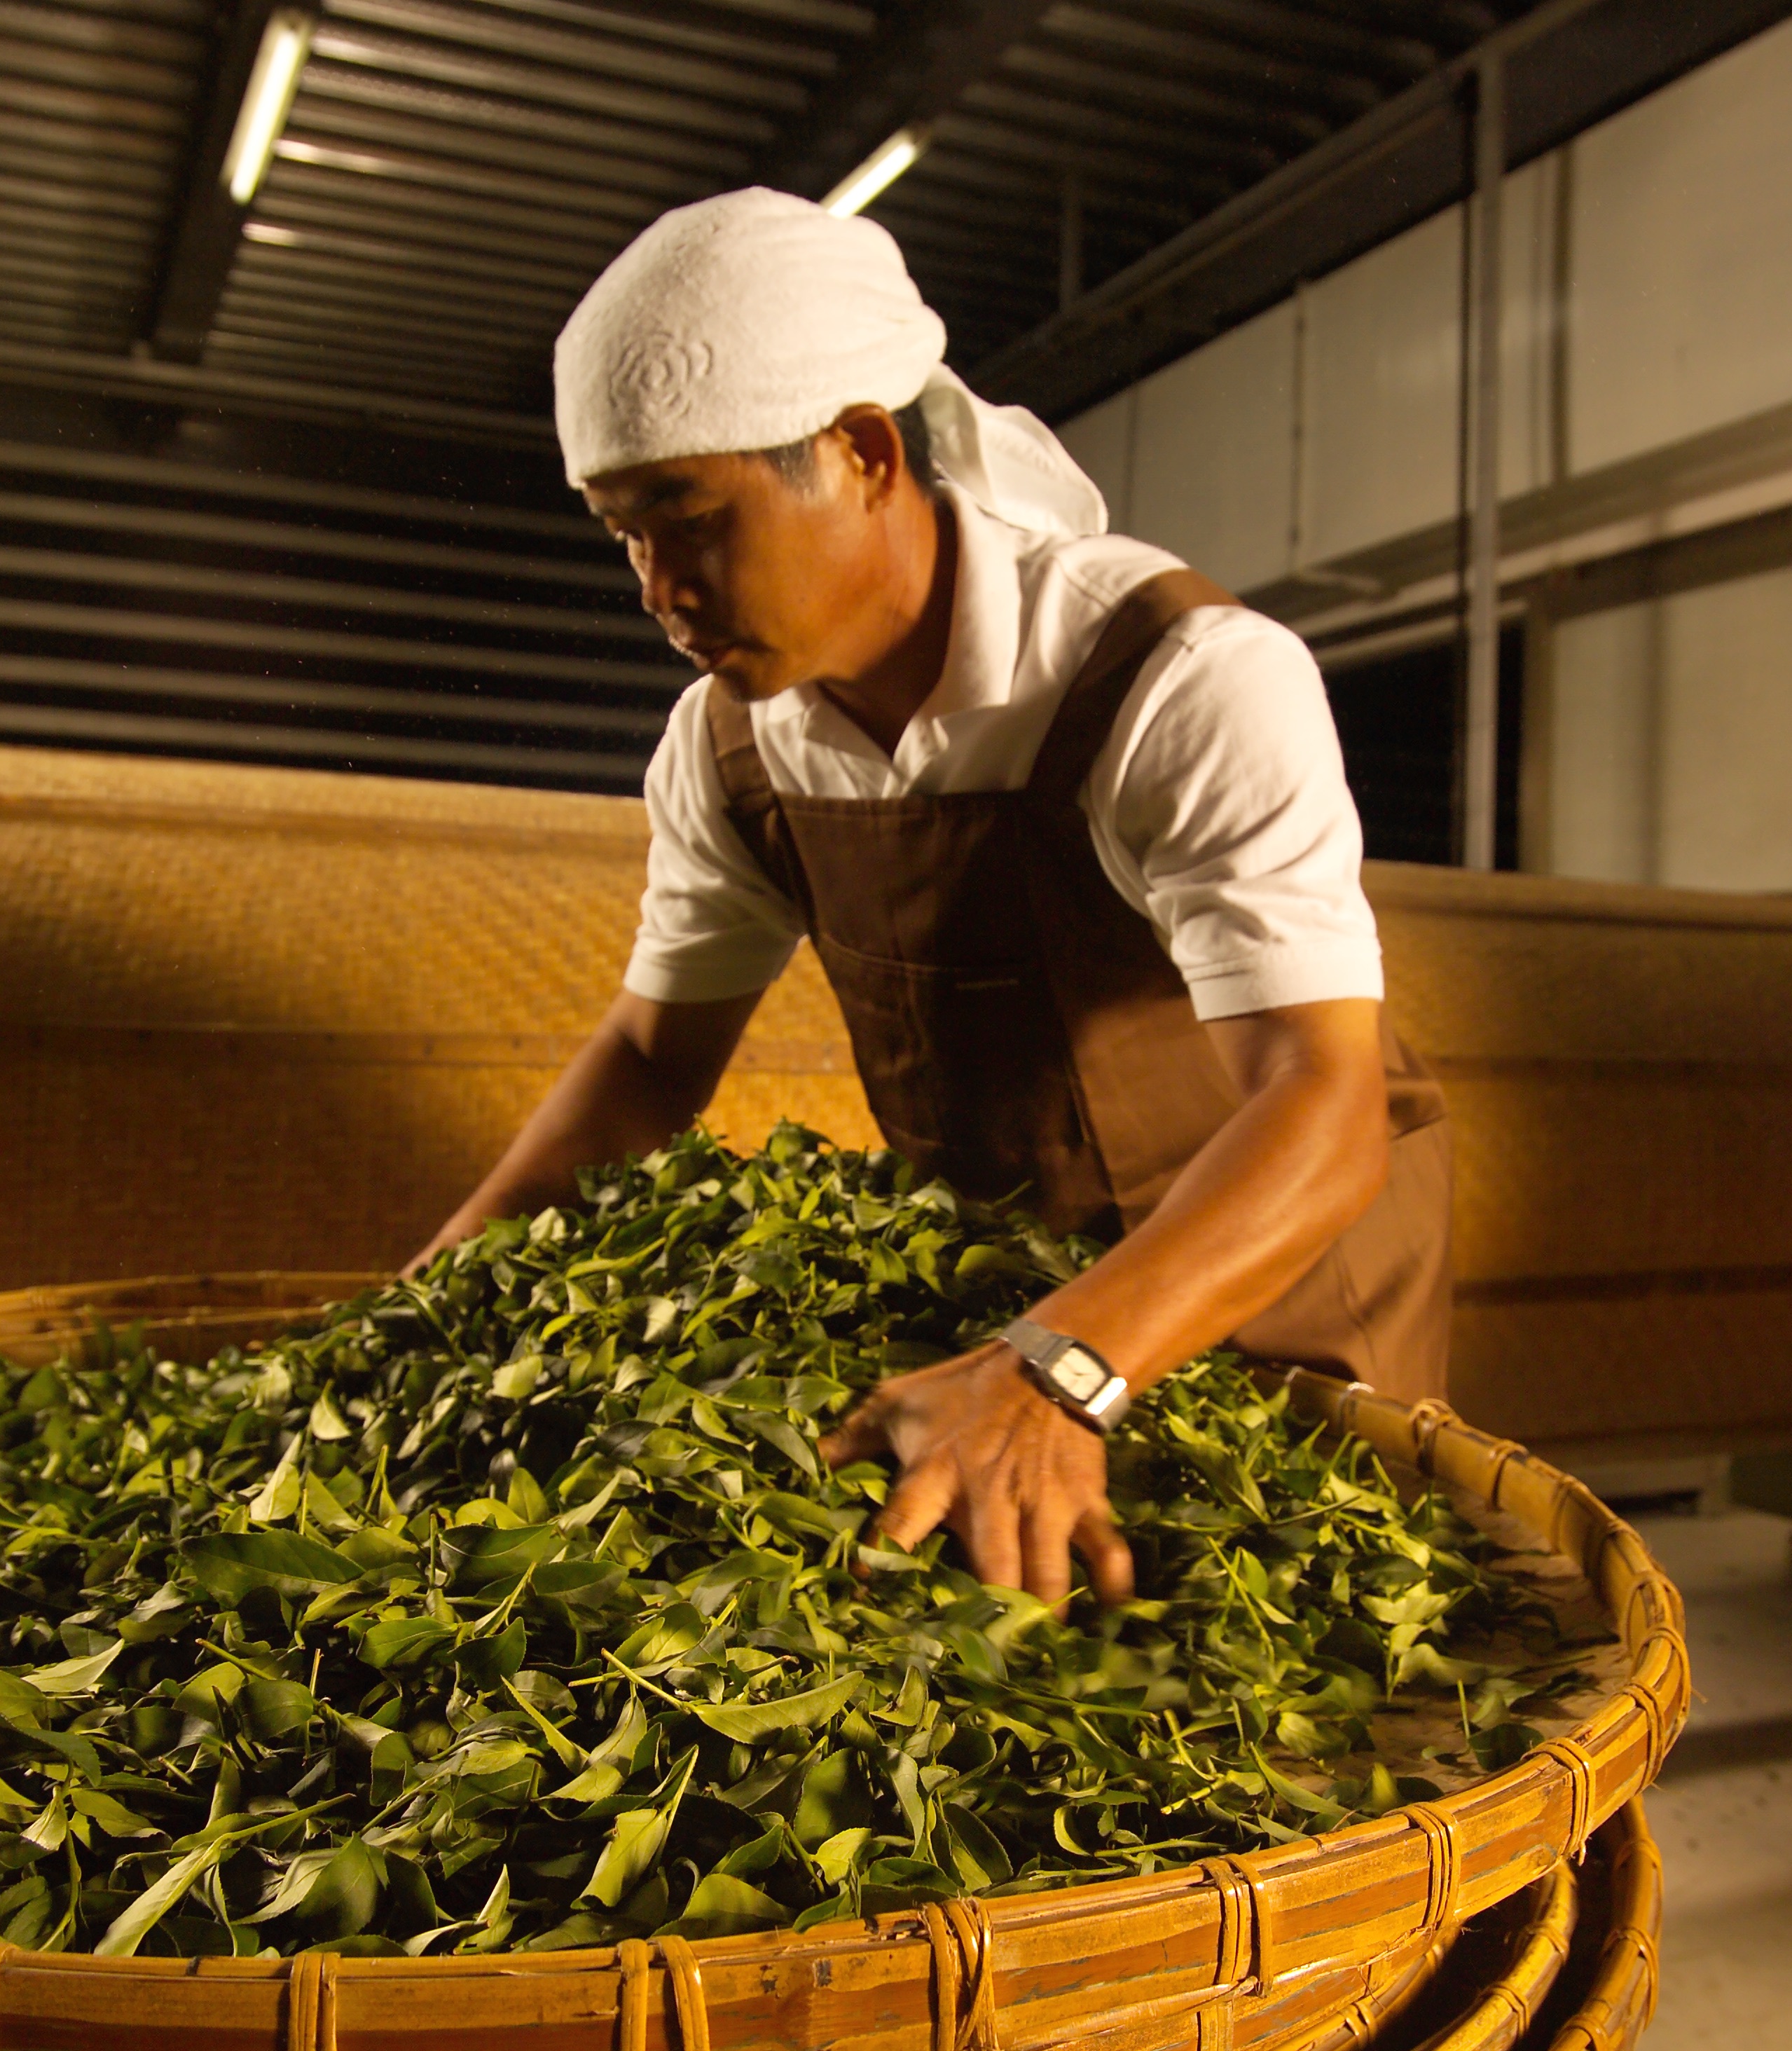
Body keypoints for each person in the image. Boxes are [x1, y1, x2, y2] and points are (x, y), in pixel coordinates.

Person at [412, 189, 1450, 1610]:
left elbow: (1323, 1103)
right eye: (622, 537)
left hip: (1270, 1280)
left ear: (862, 452)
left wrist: (1061, 1370)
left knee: (1305, 1649)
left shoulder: (1177, 677)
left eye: (691, 522)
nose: (658, 587)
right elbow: (652, 1065)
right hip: (1009, 1311)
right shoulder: (728, 748)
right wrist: (425, 1303)